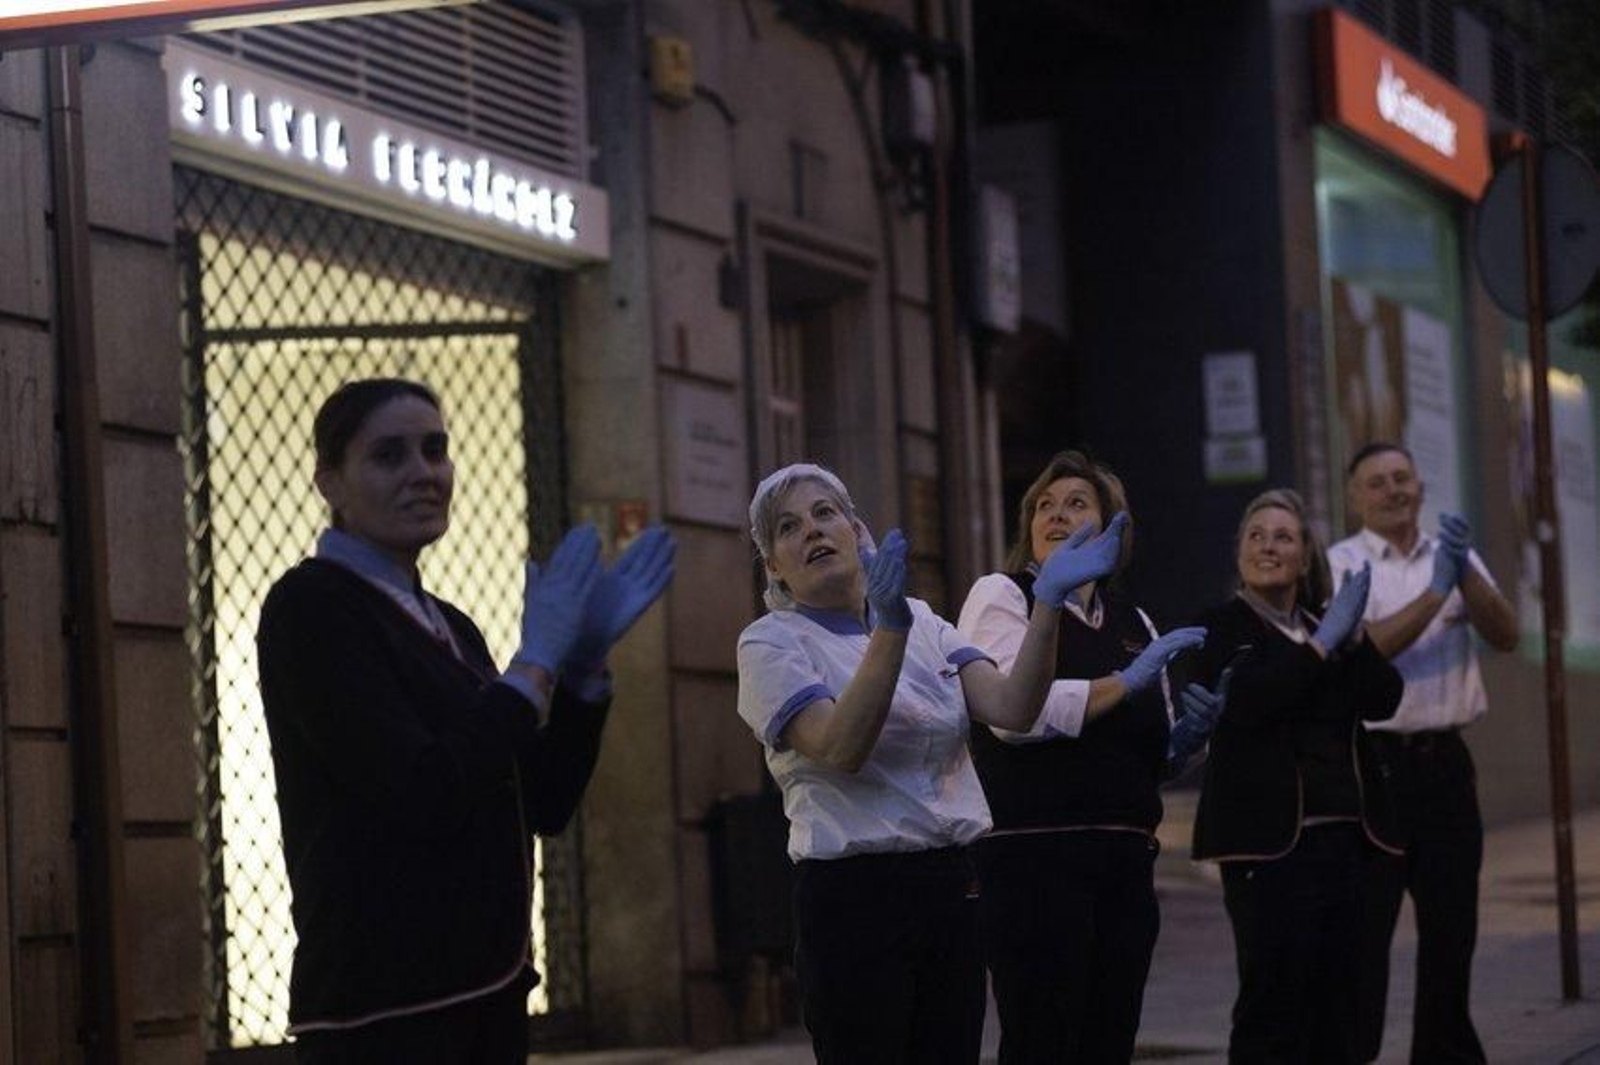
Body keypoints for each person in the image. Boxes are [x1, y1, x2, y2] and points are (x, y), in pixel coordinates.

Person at [256, 378, 675, 1064]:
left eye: (435, 449)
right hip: (386, 1008)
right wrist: (533, 665)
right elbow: (422, 788)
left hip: (486, 991)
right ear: (329, 481)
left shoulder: (452, 625)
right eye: (389, 455)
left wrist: (582, 672)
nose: (423, 472)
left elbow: (541, 798)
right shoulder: (310, 607)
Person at [735, 462, 1123, 1065]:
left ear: (857, 531)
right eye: (788, 528)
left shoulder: (927, 623)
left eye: (824, 514)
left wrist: (1047, 606)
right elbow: (841, 746)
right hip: (854, 898)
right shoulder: (771, 643)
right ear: (774, 567)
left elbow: (1014, 708)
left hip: (950, 887)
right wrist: (889, 627)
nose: (812, 531)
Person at [954, 451, 1214, 1063]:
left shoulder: (1133, 620)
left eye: (1076, 504)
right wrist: (1125, 684)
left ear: (1111, 527)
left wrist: (1187, 742)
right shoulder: (1002, 595)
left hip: (1122, 864)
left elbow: (1152, 750)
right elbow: (1015, 719)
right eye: (1044, 505)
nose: (1055, 514)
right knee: (1044, 1040)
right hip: (1034, 862)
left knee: (1109, 1040)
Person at [1189, 488, 1405, 1063]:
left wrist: (1353, 639)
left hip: (1350, 843)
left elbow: (1385, 698)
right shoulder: (1220, 628)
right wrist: (1322, 644)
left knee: (1344, 1004)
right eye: (1256, 536)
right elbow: (1253, 700)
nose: (1268, 546)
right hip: (1270, 849)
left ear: (1305, 557)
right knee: (1274, 1004)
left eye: (1283, 537)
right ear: (1237, 553)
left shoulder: (1325, 626)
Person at [1329, 443, 1519, 1064]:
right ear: (1355, 497)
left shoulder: (1452, 555)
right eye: (1377, 482)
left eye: (1402, 478)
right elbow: (1361, 651)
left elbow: (1507, 633)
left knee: (1451, 929)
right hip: (1375, 768)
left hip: (1444, 762)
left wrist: (1462, 574)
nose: (1393, 490)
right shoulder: (1340, 564)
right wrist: (1437, 597)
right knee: (1367, 931)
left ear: (1420, 484)